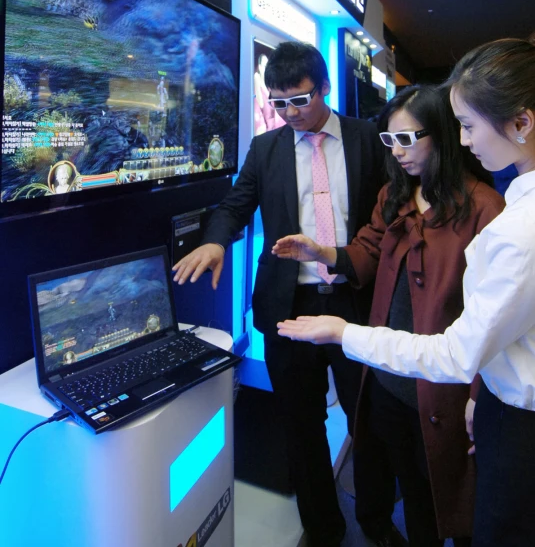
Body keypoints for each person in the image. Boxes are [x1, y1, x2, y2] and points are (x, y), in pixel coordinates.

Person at [277, 37, 535, 547]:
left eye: (409, 139)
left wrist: (479, 395)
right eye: (388, 142)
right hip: (391, 375)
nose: (397, 153)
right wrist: (323, 254)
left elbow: (486, 334)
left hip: (442, 385)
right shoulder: (394, 193)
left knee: (451, 500)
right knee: (409, 490)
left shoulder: (490, 210)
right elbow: (368, 250)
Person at [172, 41, 398, 547]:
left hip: (354, 300)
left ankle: (378, 523)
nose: (290, 114)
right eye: (279, 103)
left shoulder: (367, 140)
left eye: (300, 101)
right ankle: (322, 527)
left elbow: (389, 218)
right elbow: (235, 205)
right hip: (287, 306)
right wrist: (214, 242)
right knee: (301, 423)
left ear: (324, 89)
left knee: (371, 419)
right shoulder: (266, 148)